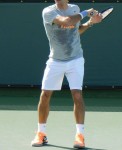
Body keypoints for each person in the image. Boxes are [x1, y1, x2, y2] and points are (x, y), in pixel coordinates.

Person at [31, 0, 102, 148]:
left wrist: (90, 22)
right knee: (45, 95)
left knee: (77, 95)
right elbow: (65, 22)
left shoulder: (74, 9)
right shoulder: (48, 11)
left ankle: (80, 135)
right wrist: (85, 13)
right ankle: (41, 133)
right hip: (55, 61)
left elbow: (74, 30)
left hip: (75, 60)